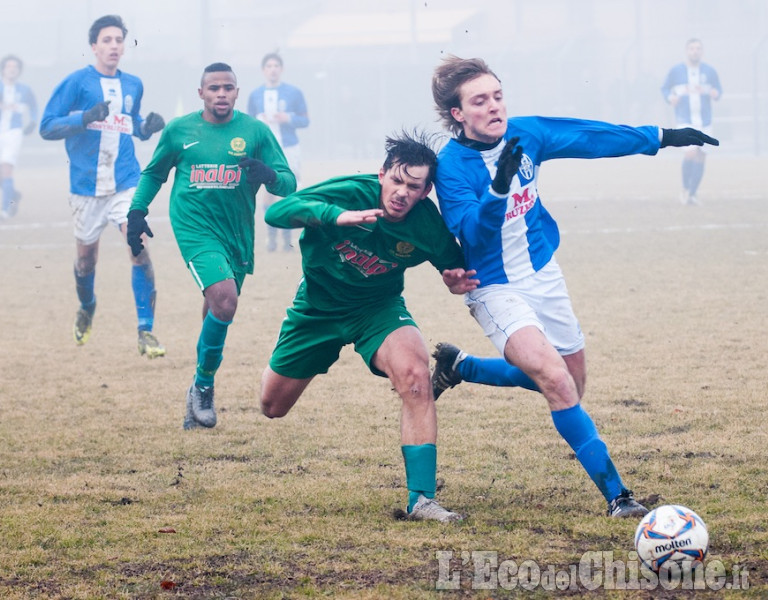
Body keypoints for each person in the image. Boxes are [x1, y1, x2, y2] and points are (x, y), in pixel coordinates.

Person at [429, 55, 719, 518]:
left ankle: (462, 368)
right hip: (493, 287)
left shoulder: (527, 134)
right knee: (558, 383)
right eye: (480, 101)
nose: (494, 107)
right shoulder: (451, 166)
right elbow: (472, 232)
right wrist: (498, 190)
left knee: (571, 385)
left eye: (498, 96)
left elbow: (587, 136)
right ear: (458, 114)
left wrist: (661, 137)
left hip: (544, 275)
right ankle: (619, 497)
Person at [259, 130, 478, 522]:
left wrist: (454, 278)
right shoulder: (350, 192)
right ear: (381, 174)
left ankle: (422, 500)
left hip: (377, 308)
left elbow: (453, 263)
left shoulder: (426, 224)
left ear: (426, 191)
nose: (401, 192)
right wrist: (334, 216)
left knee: (415, 378)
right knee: (272, 406)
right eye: (396, 180)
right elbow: (275, 213)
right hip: (317, 309)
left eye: (413, 186)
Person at [126, 62, 295, 430]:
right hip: (195, 228)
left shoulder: (255, 132)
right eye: (214, 88)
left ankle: (194, 394)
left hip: (236, 234)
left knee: (216, 308)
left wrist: (268, 176)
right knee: (225, 300)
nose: (221, 94)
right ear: (201, 93)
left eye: (228, 88)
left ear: (237, 92)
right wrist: (137, 210)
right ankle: (204, 387)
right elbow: (155, 172)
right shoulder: (179, 131)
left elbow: (289, 183)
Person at [39, 15, 166, 356]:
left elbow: (131, 123)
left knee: (137, 247)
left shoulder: (134, 84)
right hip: (86, 187)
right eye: (106, 40)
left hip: (126, 182)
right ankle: (87, 305)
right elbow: (47, 126)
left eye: (118, 40)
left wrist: (146, 127)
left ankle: (146, 331)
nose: (113, 46)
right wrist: (83, 117)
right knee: (86, 262)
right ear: (94, 46)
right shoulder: (77, 83)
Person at [247, 52, 309, 252]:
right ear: (263, 70)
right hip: (266, 150)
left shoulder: (294, 93)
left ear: (281, 69)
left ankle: (287, 237)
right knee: (268, 190)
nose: (273, 69)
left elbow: (305, 120)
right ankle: (271, 237)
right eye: (269, 66)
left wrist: (287, 117)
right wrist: (259, 120)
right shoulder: (255, 95)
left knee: (289, 189)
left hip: (290, 148)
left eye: (276, 66)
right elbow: (248, 123)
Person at [661, 38, 722, 206]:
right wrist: (670, 97)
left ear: (702, 52)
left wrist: (716, 93)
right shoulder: (676, 71)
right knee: (690, 153)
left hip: (705, 121)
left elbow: (718, 89)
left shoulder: (709, 71)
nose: (695, 51)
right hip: (684, 119)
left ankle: (693, 194)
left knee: (702, 155)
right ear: (686, 51)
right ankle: (685, 189)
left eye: (698, 48)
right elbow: (664, 88)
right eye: (692, 48)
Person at [0, 54, 37, 219]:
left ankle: (5, 209)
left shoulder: (24, 90)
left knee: (6, 170)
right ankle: (13, 194)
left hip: (13, 134)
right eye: (9, 66)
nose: (12, 70)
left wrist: (33, 122)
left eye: (15, 67)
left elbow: (34, 106)